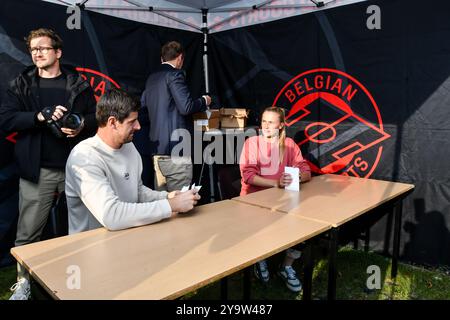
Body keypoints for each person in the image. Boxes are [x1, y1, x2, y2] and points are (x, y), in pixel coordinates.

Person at [0, 28, 97, 300]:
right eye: (33, 49)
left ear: (58, 52)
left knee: (83, 228)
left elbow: (95, 117)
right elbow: (6, 119)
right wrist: (39, 117)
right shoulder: (22, 83)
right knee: (28, 233)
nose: (37, 53)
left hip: (75, 169)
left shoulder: (78, 83)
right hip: (37, 171)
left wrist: (81, 127)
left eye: (42, 48)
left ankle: (83, 279)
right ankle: (23, 284)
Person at [65, 88, 201, 234]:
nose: (138, 126)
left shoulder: (128, 147)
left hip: (126, 238)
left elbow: (137, 192)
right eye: (132, 122)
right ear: (112, 122)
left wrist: (168, 196)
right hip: (89, 248)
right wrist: (170, 205)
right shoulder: (84, 157)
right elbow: (111, 215)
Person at [239, 106, 311, 293]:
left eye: (271, 122)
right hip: (253, 202)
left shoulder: (289, 144)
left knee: (307, 223)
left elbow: (306, 170)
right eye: (264, 121)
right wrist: (275, 183)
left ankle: (286, 266)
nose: (266, 126)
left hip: (283, 202)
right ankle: (259, 258)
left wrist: (298, 177)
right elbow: (248, 175)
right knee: (262, 227)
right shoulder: (252, 143)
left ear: (280, 125)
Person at [140, 41, 211, 192]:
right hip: (177, 149)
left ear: (162, 59)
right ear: (180, 58)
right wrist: (204, 100)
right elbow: (186, 107)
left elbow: (143, 110)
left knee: (163, 204)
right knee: (181, 203)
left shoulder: (151, 78)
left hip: (156, 151)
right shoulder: (175, 74)